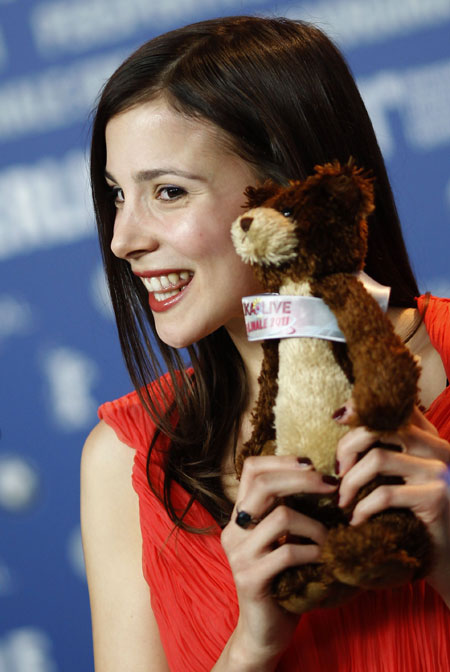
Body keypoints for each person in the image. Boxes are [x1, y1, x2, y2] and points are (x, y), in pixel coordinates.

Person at [81, 15, 450, 672]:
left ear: (287, 190)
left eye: (167, 192)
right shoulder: (123, 459)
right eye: (116, 195)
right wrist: (253, 642)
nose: (123, 238)